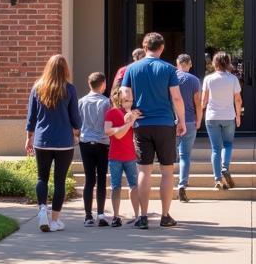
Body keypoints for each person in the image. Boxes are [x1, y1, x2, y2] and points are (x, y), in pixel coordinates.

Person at [120, 32, 186, 229]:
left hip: (142, 124)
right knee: (167, 171)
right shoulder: (168, 69)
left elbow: (124, 93)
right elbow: (176, 97)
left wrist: (129, 111)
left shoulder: (132, 68)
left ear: (144, 45)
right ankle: (165, 215)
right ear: (162, 47)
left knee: (144, 171)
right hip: (165, 123)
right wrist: (181, 120)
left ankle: (142, 216)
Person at [25, 54, 81, 233]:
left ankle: (42, 209)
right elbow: (76, 119)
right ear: (65, 69)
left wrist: (29, 137)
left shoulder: (37, 88)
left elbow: (31, 117)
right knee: (59, 181)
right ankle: (55, 220)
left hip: (42, 140)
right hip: (64, 141)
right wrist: (76, 130)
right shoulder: (69, 89)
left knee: (42, 178)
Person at [202, 51, 242, 189]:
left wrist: (201, 110)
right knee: (228, 144)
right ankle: (225, 167)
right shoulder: (233, 79)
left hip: (212, 116)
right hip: (228, 115)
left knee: (215, 148)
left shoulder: (208, 79)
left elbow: (204, 100)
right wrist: (238, 115)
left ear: (214, 63)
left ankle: (217, 179)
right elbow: (237, 99)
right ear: (228, 63)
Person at [104, 78, 140, 227]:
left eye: (130, 100)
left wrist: (132, 119)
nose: (129, 103)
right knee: (115, 187)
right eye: (126, 100)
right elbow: (110, 132)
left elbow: (116, 132)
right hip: (115, 156)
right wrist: (128, 123)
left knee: (134, 185)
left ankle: (138, 215)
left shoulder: (133, 113)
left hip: (130, 155)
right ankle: (116, 216)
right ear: (118, 99)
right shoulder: (112, 113)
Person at [77, 72, 111, 226]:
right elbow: (107, 124)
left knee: (89, 179)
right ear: (103, 84)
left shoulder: (81, 102)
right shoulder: (106, 102)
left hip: (85, 142)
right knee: (102, 178)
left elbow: (77, 123)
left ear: (89, 84)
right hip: (102, 143)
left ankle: (87, 216)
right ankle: (101, 215)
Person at [174, 54, 202, 202]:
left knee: (169, 155)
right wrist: (199, 120)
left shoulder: (170, 78)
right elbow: (198, 102)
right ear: (189, 64)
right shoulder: (194, 80)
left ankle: (167, 183)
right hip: (189, 120)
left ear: (177, 64)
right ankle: (182, 184)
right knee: (185, 155)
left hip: (170, 121)